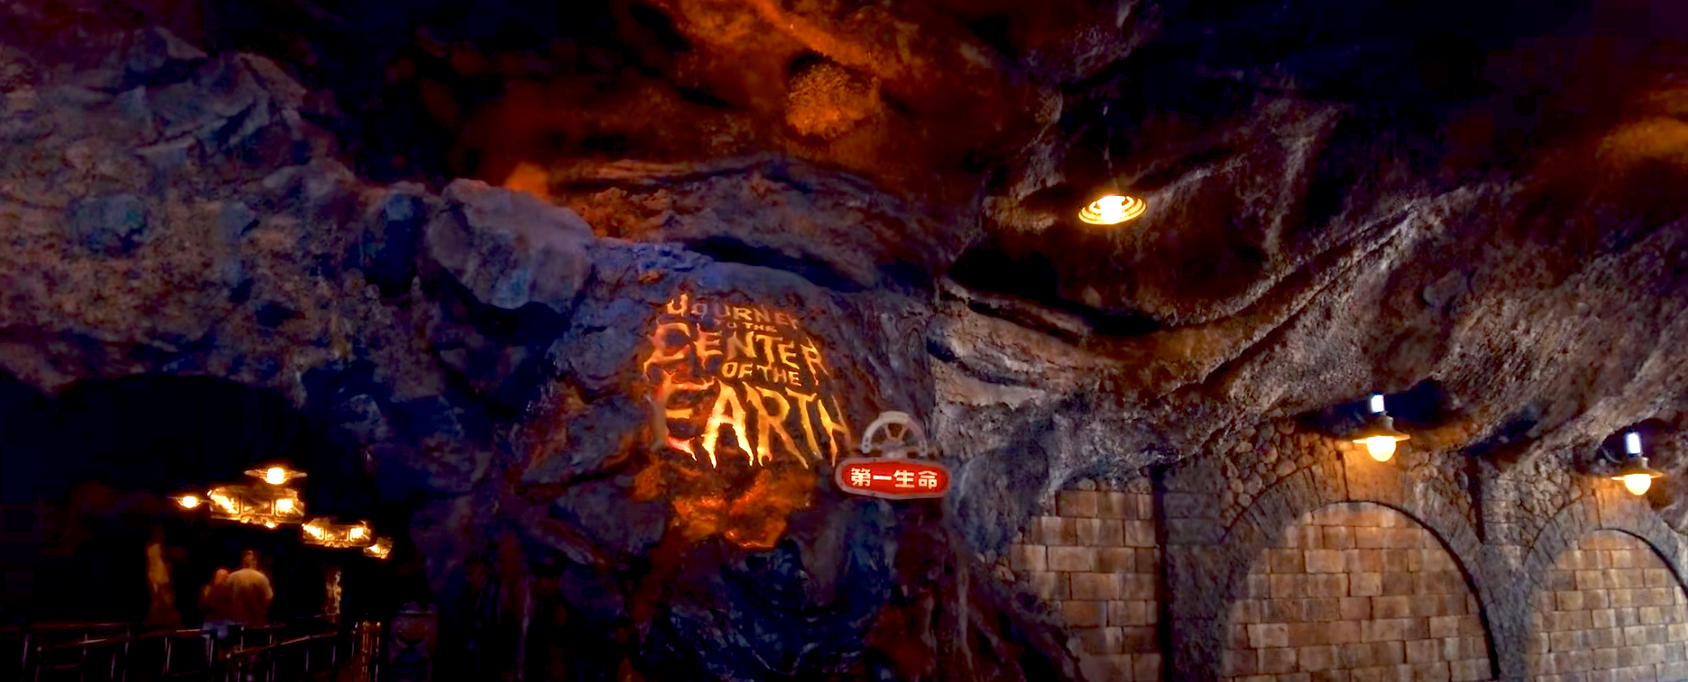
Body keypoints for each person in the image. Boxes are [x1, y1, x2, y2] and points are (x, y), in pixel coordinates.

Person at [225, 550, 274, 627]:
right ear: (255, 561)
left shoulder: (231, 578)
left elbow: (224, 598)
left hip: (235, 621)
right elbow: (268, 598)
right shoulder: (260, 578)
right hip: (256, 621)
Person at [200, 568, 232, 640]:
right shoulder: (207, 589)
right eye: (221, 577)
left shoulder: (230, 592)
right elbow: (202, 606)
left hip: (224, 625)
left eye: (226, 577)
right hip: (210, 624)